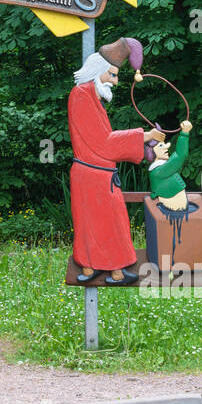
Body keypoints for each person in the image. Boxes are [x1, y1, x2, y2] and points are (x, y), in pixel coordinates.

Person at [69, 37, 163, 286]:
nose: (115, 80)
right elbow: (104, 143)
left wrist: (144, 148)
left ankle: (111, 271)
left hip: (98, 176)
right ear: (98, 71)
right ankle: (94, 269)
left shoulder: (90, 96)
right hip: (92, 177)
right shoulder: (81, 96)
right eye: (111, 75)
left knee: (107, 224)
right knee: (98, 225)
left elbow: (104, 143)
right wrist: (145, 135)